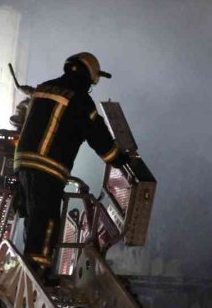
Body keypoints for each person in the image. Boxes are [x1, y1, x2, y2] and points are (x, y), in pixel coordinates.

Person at [14, 52, 127, 276]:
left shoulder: (44, 88)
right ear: (89, 76)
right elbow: (99, 137)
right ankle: (37, 274)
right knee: (46, 221)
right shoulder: (80, 100)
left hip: (22, 162)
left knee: (34, 218)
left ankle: (31, 269)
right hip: (48, 167)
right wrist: (118, 158)